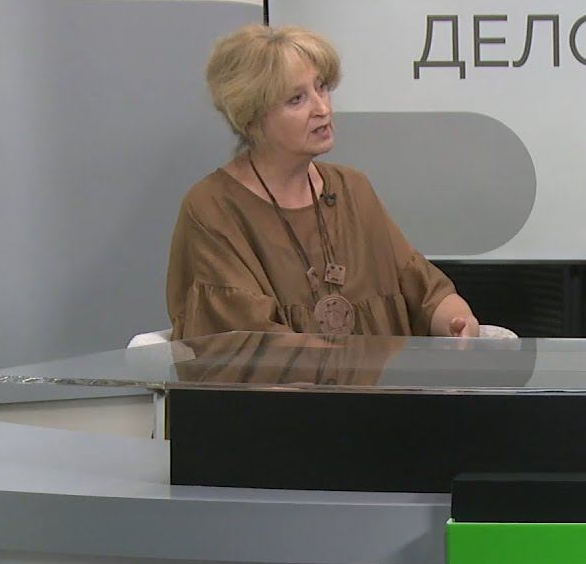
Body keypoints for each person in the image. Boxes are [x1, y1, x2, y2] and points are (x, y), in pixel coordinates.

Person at [167, 24, 479, 340]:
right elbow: (243, 345)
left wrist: (456, 321)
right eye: (296, 99)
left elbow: (424, 290)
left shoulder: (353, 188)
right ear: (251, 118)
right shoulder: (211, 209)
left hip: (380, 375)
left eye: (322, 87)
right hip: (288, 376)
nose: (323, 108)